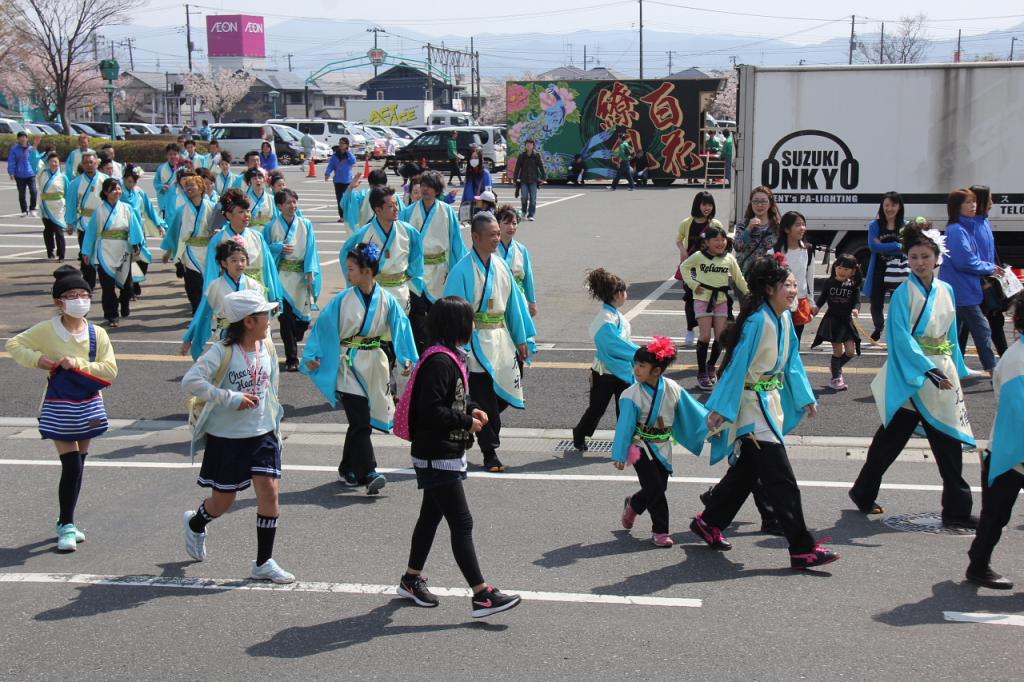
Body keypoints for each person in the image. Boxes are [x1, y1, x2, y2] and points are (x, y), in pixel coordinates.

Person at [693, 255, 838, 569]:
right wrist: (720, 407)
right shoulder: (759, 320)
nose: (792, 290)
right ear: (769, 288)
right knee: (782, 481)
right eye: (786, 285)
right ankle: (802, 548)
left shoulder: (784, 317)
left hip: (768, 402)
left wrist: (805, 396)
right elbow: (736, 366)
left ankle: (709, 521)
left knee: (747, 473)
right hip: (751, 408)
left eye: (794, 285)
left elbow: (792, 362)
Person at [396, 296, 522, 618]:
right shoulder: (440, 361)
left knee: (431, 517)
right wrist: (467, 421)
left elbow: (451, 400)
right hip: (436, 453)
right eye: (470, 320)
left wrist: (470, 409)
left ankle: (411, 579)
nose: (474, 325)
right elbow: (431, 410)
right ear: (458, 325)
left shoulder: (448, 357)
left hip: (439, 451)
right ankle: (481, 595)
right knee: (461, 522)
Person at [850, 222, 977, 528]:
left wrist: (957, 368)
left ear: (937, 258)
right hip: (916, 376)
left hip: (940, 373)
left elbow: (951, 335)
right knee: (891, 443)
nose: (919, 262)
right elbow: (901, 339)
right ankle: (864, 491)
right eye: (914, 256)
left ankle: (955, 510)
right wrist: (927, 369)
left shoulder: (946, 290)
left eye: (925, 256)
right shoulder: (904, 294)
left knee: (941, 442)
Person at [181, 289, 294, 584]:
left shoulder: (266, 346)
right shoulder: (221, 351)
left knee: (269, 492)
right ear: (248, 321)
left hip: (263, 432)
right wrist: (228, 397)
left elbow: (271, 388)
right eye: (264, 315)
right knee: (224, 500)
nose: (270, 319)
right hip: (228, 437)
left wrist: (275, 423)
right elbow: (190, 381)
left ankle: (263, 562)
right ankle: (196, 522)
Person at [6, 266, 118, 552]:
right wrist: (39, 359)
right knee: (70, 465)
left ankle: (66, 521)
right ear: (59, 302)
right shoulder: (47, 329)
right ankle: (66, 524)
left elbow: (109, 371)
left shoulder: (97, 333)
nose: (79, 299)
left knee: (79, 463)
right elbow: (14, 344)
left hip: (89, 403)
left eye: (84, 294)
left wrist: (78, 364)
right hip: (59, 404)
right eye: (71, 295)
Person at [302, 243, 418, 493]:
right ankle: (369, 472)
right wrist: (313, 355)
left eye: (352, 269)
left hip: (375, 363)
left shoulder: (387, 299)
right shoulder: (342, 300)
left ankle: (347, 467)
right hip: (349, 364)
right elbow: (323, 329)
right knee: (361, 421)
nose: (348, 273)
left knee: (358, 423)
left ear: (367, 270)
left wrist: (406, 357)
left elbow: (401, 328)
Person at [444, 213, 536, 472]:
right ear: (475, 237)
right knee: (485, 398)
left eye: (498, 233)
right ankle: (490, 452)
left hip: (500, 338)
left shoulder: (500, 265)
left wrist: (522, 338)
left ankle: (472, 422)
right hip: (473, 343)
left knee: (503, 393)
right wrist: (460, 336)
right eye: (492, 234)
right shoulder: (461, 270)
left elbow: (514, 306)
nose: (497, 238)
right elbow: (451, 308)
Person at [612, 337, 709, 547]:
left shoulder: (673, 388)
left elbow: (692, 412)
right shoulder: (631, 395)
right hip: (639, 445)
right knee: (655, 487)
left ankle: (634, 504)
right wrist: (620, 454)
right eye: (635, 364)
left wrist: (712, 427)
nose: (636, 369)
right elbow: (625, 427)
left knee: (659, 485)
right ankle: (660, 531)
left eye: (642, 365)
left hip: (663, 445)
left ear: (656, 371)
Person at [966, 298, 1024, 590]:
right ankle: (977, 566)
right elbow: (1017, 414)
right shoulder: (1017, 359)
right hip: (1011, 451)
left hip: (1007, 449)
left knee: (995, 514)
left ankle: (977, 563)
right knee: (995, 516)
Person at [399, 170, 467, 352]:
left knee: (439, 314)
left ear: (438, 190)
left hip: (439, 271)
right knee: (416, 314)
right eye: (423, 185)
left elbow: (456, 244)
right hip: (415, 272)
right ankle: (421, 351)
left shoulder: (447, 212)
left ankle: (437, 350)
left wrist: (459, 271)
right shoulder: (408, 212)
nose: (425, 189)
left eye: (430, 186)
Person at [572, 268, 639, 451]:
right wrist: (639, 353)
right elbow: (613, 346)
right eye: (624, 291)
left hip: (622, 371)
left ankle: (624, 442)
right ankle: (579, 433)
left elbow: (621, 344)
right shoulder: (605, 319)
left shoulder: (615, 317)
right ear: (617, 294)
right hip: (605, 373)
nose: (626, 295)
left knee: (624, 409)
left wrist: (636, 353)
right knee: (597, 409)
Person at [939, 188, 1001, 376]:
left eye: (973, 201)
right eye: (967, 202)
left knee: (954, 336)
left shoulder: (967, 227)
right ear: (956, 207)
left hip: (964, 289)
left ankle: (948, 370)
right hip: (961, 291)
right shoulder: (957, 230)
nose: (973, 205)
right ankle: (993, 371)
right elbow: (964, 261)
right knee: (982, 331)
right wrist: (989, 267)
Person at [680, 225, 748, 390]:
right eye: (716, 240)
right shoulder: (698, 256)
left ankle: (711, 366)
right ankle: (702, 372)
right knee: (704, 336)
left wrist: (750, 294)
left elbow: (739, 279)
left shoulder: (729, 258)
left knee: (720, 337)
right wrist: (694, 284)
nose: (720, 243)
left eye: (723, 239)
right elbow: (684, 267)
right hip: (702, 299)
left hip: (722, 300)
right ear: (707, 242)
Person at [339, 186, 423, 315]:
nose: (396, 209)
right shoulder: (365, 232)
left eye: (396, 204)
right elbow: (345, 252)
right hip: (375, 290)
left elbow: (417, 254)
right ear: (378, 210)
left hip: (401, 289)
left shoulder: (408, 231)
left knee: (400, 329)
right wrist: (356, 276)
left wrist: (411, 273)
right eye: (391, 206)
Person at [263, 188, 322, 371]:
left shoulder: (306, 224)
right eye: (288, 202)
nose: (292, 206)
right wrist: (277, 248)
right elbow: (264, 251)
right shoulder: (271, 227)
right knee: (285, 319)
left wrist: (311, 272)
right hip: (281, 277)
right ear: (280, 206)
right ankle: (291, 358)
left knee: (303, 321)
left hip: (300, 279)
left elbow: (311, 250)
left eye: (294, 202)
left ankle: (294, 338)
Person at [80, 179, 150, 327]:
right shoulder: (99, 211)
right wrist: (86, 251)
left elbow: (135, 227)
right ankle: (111, 315)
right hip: (104, 249)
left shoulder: (127, 208)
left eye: (119, 189)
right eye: (113, 189)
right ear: (106, 192)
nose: (117, 192)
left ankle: (124, 303)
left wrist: (137, 243)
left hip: (123, 249)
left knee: (127, 285)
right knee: (107, 286)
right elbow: (91, 232)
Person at [181, 239, 266, 361]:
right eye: (234, 260)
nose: (240, 264)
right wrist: (189, 338)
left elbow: (261, 313)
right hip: (225, 335)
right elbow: (202, 314)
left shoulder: (254, 285)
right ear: (224, 263)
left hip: (249, 334)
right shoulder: (214, 286)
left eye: (243, 260)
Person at [204, 188, 281, 306]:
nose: (247, 215)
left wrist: (274, 295)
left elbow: (268, 267)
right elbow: (212, 273)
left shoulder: (257, 236)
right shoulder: (218, 239)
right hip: (229, 292)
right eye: (241, 212)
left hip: (257, 289)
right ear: (229, 215)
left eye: (248, 211)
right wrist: (211, 300)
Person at [161, 174, 217, 313]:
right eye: (187, 186)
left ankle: (205, 310)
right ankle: (196, 309)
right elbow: (174, 232)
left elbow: (220, 228)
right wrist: (169, 252)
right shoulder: (181, 210)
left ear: (201, 188)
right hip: (190, 250)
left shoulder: (212, 207)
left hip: (208, 250)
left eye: (192, 185)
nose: (189, 188)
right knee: (193, 283)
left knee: (207, 283)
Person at [963, 185, 1008, 358]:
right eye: (989, 198)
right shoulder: (973, 224)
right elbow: (975, 256)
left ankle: (1001, 362)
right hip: (979, 283)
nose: (992, 202)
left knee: (991, 322)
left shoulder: (983, 222)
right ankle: (996, 364)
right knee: (973, 325)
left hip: (986, 281)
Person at [677, 191, 724, 346]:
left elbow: (722, 245)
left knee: (710, 299)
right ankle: (690, 329)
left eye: (710, 204)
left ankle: (708, 331)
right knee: (690, 299)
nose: (707, 208)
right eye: (704, 204)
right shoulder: (686, 223)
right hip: (691, 268)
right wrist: (683, 251)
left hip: (710, 269)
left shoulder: (715, 224)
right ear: (697, 204)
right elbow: (679, 240)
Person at [810, 253, 863, 391]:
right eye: (839, 267)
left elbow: (857, 301)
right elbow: (822, 298)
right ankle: (836, 378)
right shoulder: (829, 282)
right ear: (835, 267)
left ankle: (836, 367)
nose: (841, 271)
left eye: (846, 269)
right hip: (832, 321)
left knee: (850, 352)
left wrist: (856, 310)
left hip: (846, 321)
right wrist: (816, 308)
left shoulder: (853, 285)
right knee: (838, 352)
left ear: (852, 271)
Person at [864, 192, 907, 342]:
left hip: (900, 271)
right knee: (876, 302)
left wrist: (886, 246)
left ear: (899, 206)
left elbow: (908, 247)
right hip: (879, 269)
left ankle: (897, 331)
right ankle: (878, 326)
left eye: (893, 205)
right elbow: (874, 246)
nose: (889, 208)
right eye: (886, 205)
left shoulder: (905, 226)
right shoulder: (875, 225)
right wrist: (896, 245)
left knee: (899, 302)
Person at [64, 151, 109, 290]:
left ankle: (105, 279)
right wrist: (70, 223)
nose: (89, 165)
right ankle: (88, 283)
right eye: (86, 163)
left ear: (97, 163)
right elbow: (71, 204)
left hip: (103, 220)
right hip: (84, 222)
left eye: (92, 162)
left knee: (103, 252)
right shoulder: (75, 183)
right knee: (86, 252)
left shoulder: (105, 180)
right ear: (82, 165)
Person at [770, 211, 815, 340]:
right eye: (797, 225)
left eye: (803, 224)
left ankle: (792, 361)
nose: (802, 228)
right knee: (779, 339)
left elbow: (809, 277)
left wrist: (812, 303)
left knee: (795, 341)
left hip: (800, 301)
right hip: (779, 302)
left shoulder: (808, 250)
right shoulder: (774, 252)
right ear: (786, 229)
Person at [497, 205, 537, 317]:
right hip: (497, 296)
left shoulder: (521, 249)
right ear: (498, 224)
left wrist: (532, 301)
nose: (511, 227)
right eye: (506, 223)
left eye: (514, 223)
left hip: (518, 296)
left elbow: (528, 277)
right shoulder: (491, 248)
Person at [733, 186, 781, 275]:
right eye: (755, 201)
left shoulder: (776, 226)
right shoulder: (743, 224)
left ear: (770, 204)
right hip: (746, 275)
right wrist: (748, 229)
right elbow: (737, 247)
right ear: (751, 203)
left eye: (763, 201)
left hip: (769, 276)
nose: (759, 205)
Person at [339, 169, 404, 232]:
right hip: (369, 235)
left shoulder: (393, 196)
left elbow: (405, 214)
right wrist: (350, 188)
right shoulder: (362, 195)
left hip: (387, 233)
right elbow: (345, 204)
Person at [37, 152, 67, 262]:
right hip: (45, 205)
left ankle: (62, 254)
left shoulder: (63, 177)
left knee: (58, 230)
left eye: (55, 161)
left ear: (59, 163)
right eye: (51, 161)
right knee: (48, 230)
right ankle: (50, 251)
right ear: (47, 163)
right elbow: (34, 162)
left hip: (58, 207)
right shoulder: (42, 173)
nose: (53, 163)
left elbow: (67, 193)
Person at [325, 139, 357, 223]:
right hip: (338, 181)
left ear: (347, 145)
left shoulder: (349, 155)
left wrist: (349, 152)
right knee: (339, 199)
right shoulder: (335, 155)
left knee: (348, 199)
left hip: (348, 181)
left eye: (342, 143)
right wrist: (327, 173)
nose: (340, 145)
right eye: (340, 143)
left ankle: (349, 216)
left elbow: (353, 161)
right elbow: (330, 165)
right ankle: (342, 216)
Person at [513, 138, 545, 221]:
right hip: (523, 180)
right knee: (524, 197)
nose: (529, 146)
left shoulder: (536, 155)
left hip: (533, 180)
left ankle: (531, 214)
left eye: (530, 144)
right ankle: (523, 212)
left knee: (533, 198)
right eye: (527, 144)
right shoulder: (522, 156)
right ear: (525, 146)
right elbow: (517, 168)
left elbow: (541, 167)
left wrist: (543, 177)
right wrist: (515, 179)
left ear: (533, 146)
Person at [8, 131, 39, 217]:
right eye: (20, 137)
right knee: (22, 194)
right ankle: (24, 210)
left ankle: (33, 208)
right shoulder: (14, 149)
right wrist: (11, 172)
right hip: (19, 175)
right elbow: (11, 161)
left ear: (27, 138)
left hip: (31, 174)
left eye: (24, 137)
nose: (22, 138)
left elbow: (36, 159)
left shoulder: (31, 148)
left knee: (34, 191)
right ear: (18, 139)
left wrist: (35, 147)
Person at [460, 148, 493, 217]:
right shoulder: (469, 173)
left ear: (480, 159)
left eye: (476, 157)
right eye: (472, 158)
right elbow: (465, 192)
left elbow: (488, 192)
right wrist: (461, 207)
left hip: (482, 208)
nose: (473, 160)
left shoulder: (486, 174)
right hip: (470, 206)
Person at [153, 143, 181, 216]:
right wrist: (162, 187)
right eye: (170, 154)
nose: (173, 156)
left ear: (179, 155)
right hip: (166, 200)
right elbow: (156, 183)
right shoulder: (161, 168)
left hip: (179, 200)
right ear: (167, 155)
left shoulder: (183, 168)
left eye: (175, 154)